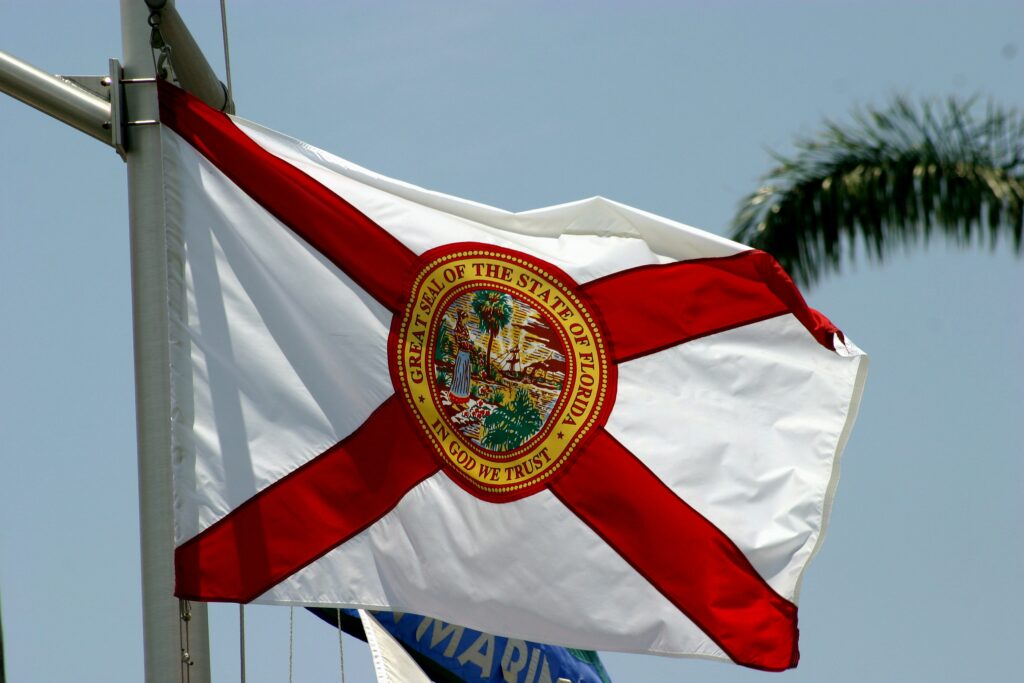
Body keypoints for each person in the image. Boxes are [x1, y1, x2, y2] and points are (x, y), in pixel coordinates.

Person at [449, 309, 473, 404]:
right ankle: (455, 398)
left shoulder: (465, 329)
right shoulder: (457, 329)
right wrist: (467, 344)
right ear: (461, 319)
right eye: (465, 319)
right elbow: (459, 341)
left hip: (467, 354)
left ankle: (462, 398)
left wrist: (469, 344)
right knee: (460, 375)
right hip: (462, 354)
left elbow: (466, 340)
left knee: (465, 376)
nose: (466, 321)